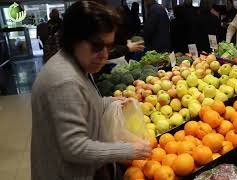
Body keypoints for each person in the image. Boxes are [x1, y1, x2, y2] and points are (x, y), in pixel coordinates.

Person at [31, 1, 151, 180]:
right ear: (74, 39)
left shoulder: (75, 63)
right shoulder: (64, 80)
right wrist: (128, 149)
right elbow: (75, 147)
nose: (104, 55)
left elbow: (82, 103)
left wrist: (110, 101)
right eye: (96, 46)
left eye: (109, 46)